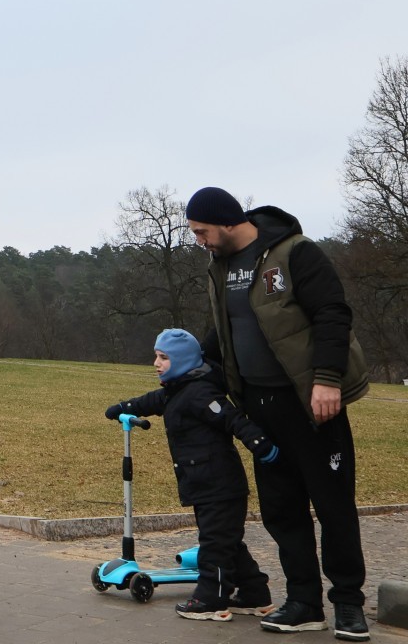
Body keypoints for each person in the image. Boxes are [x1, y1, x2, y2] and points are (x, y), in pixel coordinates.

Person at [185, 186, 371, 641]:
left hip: (310, 404)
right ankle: (304, 603)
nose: (200, 241)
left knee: (333, 507)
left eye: (202, 231)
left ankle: (348, 605)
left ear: (227, 221)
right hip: (258, 407)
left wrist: (326, 379)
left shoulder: (294, 252)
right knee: (282, 511)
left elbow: (332, 313)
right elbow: (225, 330)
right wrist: (190, 371)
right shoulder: (220, 267)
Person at [106, 328, 279, 622]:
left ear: (184, 362)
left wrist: (259, 443)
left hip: (220, 485)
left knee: (215, 545)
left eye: (163, 358)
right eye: (156, 356)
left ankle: (211, 599)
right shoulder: (177, 390)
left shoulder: (200, 393)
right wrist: (126, 407)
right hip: (204, 483)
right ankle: (254, 594)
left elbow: (231, 418)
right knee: (227, 542)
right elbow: (154, 400)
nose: (156, 363)